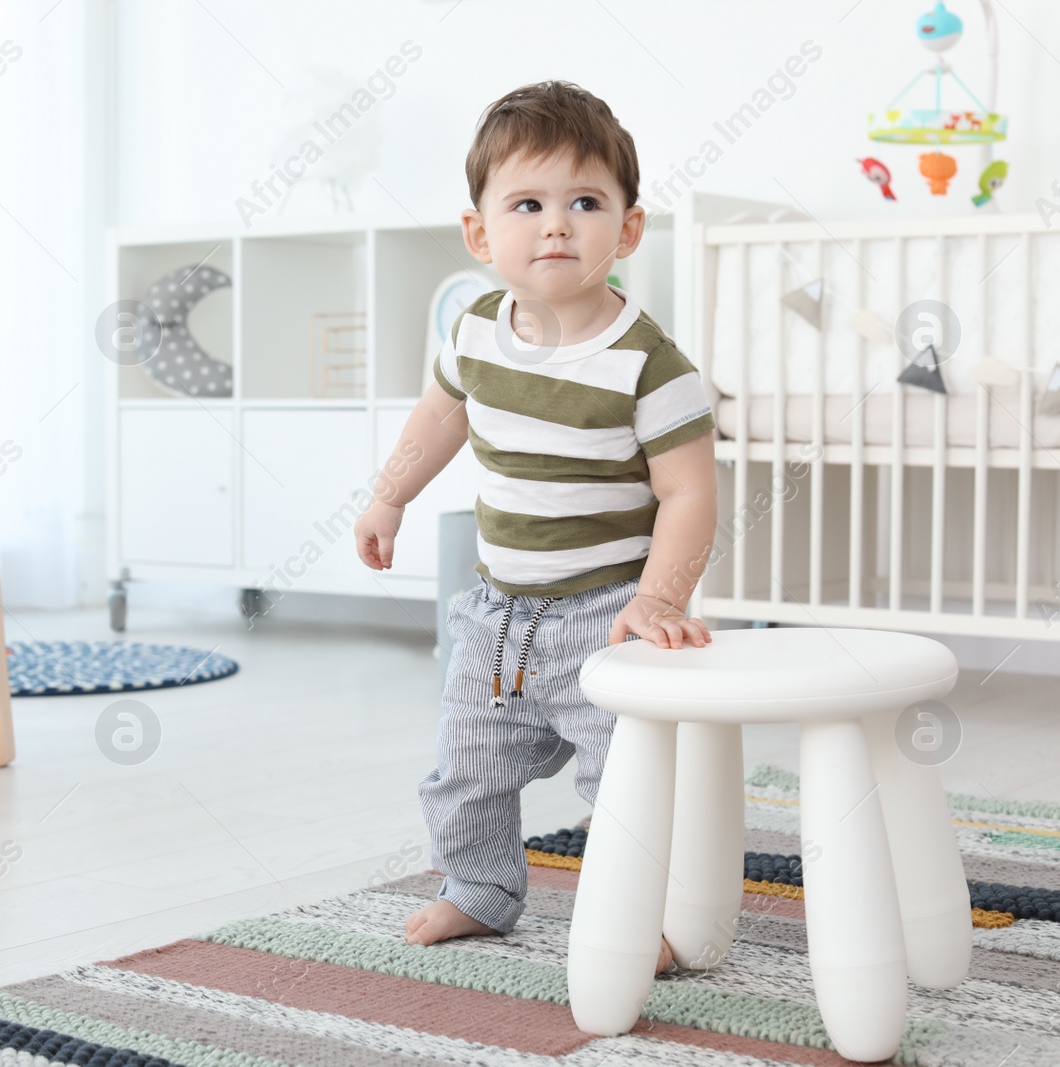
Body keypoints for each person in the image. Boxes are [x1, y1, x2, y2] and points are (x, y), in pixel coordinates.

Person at [352, 80, 719, 975]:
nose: (556, 225)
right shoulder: (476, 333)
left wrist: (660, 598)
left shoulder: (649, 364)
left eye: (585, 202)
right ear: (481, 234)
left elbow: (690, 494)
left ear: (627, 231)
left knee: (626, 785)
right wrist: (389, 494)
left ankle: (653, 916)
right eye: (528, 204)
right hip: (496, 613)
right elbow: (437, 420)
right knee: (465, 771)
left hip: (608, 615)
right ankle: (479, 891)